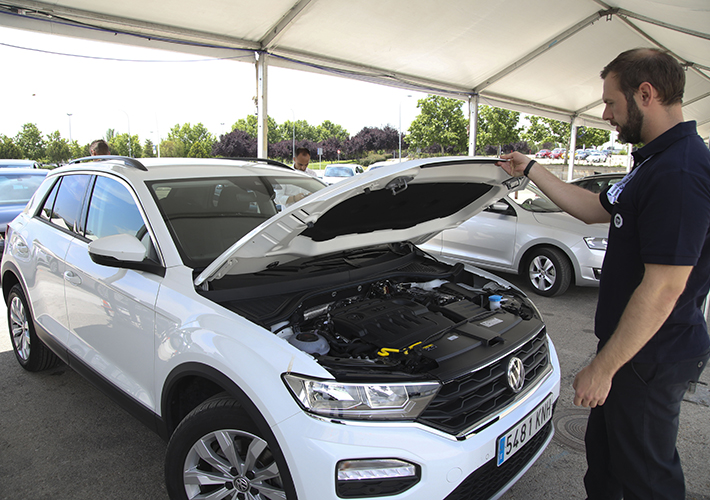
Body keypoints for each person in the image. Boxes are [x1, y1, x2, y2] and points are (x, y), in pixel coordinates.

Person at [497, 48, 710, 500]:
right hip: (631, 351)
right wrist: (533, 170)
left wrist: (603, 368)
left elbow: (665, 286)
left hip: (650, 357)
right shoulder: (653, 161)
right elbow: (594, 208)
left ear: (645, 94)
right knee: (609, 467)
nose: (606, 113)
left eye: (611, 101)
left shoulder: (680, 171)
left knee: (645, 480)